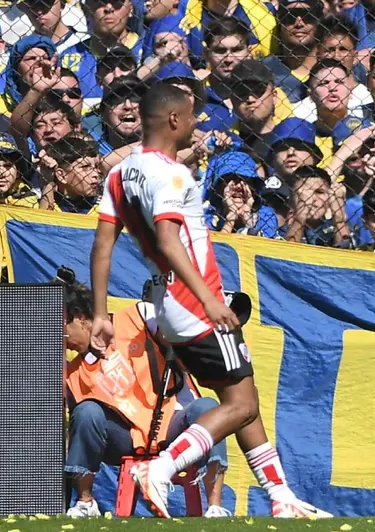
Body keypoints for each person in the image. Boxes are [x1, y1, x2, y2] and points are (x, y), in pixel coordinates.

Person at [90, 82, 329, 519]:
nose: (199, 122)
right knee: (241, 405)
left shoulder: (120, 174)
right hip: (194, 301)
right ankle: (162, 468)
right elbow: (168, 238)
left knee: (242, 399)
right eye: (193, 115)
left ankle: (281, 498)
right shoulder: (171, 174)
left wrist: (99, 312)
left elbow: (103, 246)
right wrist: (209, 300)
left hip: (165, 305)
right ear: (175, 120)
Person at [60, 268, 232, 519]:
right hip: (124, 438)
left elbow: (178, 339)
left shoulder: (138, 316)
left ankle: (215, 507)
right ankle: (86, 503)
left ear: (81, 318)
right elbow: (77, 429)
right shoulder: (72, 371)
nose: (61, 337)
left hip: (173, 424)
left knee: (208, 408)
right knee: (86, 412)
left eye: (61, 326)